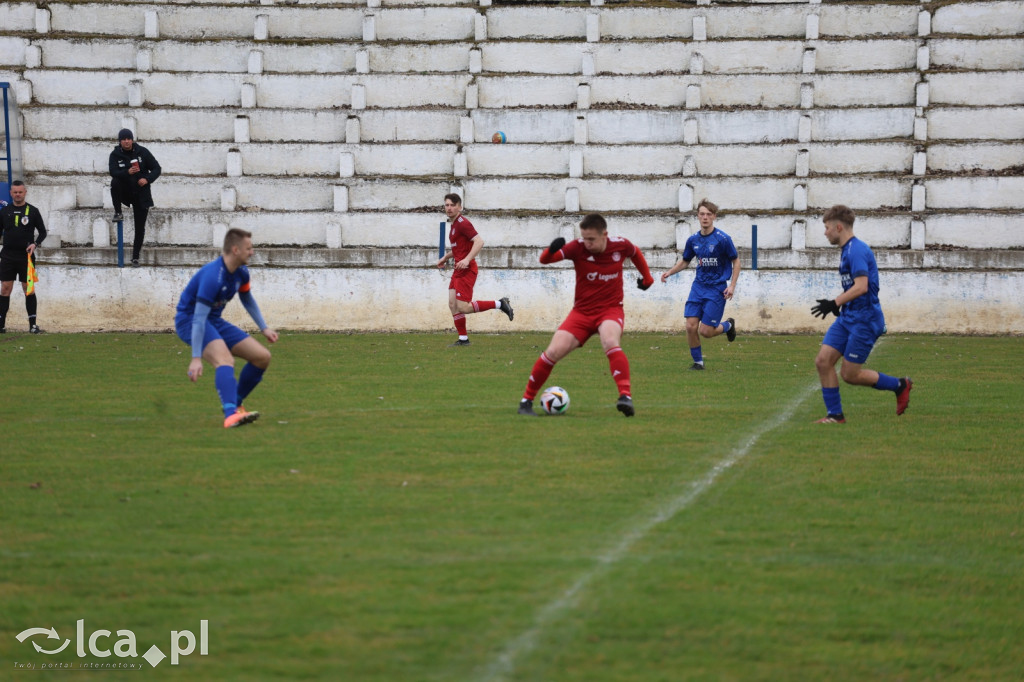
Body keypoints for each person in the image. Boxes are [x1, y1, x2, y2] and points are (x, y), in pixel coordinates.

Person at [518, 213, 655, 417]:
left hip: (610, 309)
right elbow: (545, 260)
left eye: (591, 239)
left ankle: (625, 396)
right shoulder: (577, 247)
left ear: (604, 235)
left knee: (610, 340)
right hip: (581, 313)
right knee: (553, 352)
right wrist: (551, 250)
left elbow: (635, 253)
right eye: (584, 237)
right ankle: (526, 402)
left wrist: (648, 279)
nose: (587, 243)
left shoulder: (620, 245)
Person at [811, 204, 912, 423]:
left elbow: (862, 286)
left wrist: (833, 302)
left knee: (850, 374)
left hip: (865, 320)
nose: (825, 232)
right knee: (823, 361)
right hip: (848, 317)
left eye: (827, 227)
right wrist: (839, 305)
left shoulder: (856, 250)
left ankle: (900, 385)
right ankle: (835, 415)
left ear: (838, 227)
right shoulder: (847, 250)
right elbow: (854, 288)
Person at [175, 228, 279, 428]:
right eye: (248, 248)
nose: (252, 252)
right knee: (224, 360)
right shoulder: (213, 277)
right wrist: (196, 358)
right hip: (190, 321)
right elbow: (198, 319)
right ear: (235, 250)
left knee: (262, 357)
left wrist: (263, 327)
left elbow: (246, 297)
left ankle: (236, 403)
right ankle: (230, 415)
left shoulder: (241, 272)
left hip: (213, 320)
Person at [660, 198, 740, 370]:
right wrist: (669, 272)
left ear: (714, 217)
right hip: (698, 287)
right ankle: (698, 363)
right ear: (697, 216)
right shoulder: (693, 240)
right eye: (702, 214)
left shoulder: (723, 239)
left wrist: (732, 285)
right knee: (690, 326)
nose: (705, 217)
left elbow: (736, 261)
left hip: (717, 288)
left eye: (708, 214)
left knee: (706, 331)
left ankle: (728, 325)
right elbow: (685, 261)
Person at [435, 193, 513, 346]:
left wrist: (466, 259)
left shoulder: (463, 223)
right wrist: (446, 257)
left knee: (463, 307)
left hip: (467, 270)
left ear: (460, 207)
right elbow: (460, 248)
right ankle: (463, 339)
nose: (449, 208)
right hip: (458, 270)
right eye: (447, 205)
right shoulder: (454, 225)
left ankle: (500, 304)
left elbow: (479, 241)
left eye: (452, 205)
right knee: (452, 305)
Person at [109, 128, 161, 267]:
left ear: (132, 139)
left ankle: (135, 257)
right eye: (123, 139)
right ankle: (118, 212)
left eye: (128, 138)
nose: (126, 141)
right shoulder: (115, 154)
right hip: (125, 193)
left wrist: (147, 179)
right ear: (120, 141)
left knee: (140, 227)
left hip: (141, 194)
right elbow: (112, 171)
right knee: (114, 182)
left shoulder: (142, 152)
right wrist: (127, 172)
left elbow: (157, 168)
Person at [0, 180, 47, 334]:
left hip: (26, 256)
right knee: (5, 288)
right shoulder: (4, 211)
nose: (18, 194)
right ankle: (1, 325)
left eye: (20, 192)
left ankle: (33, 325)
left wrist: (35, 244)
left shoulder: (33, 211)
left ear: (25, 192)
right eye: (15, 192)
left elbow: (43, 232)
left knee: (28, 289)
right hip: (8, 255)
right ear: (11, 193)